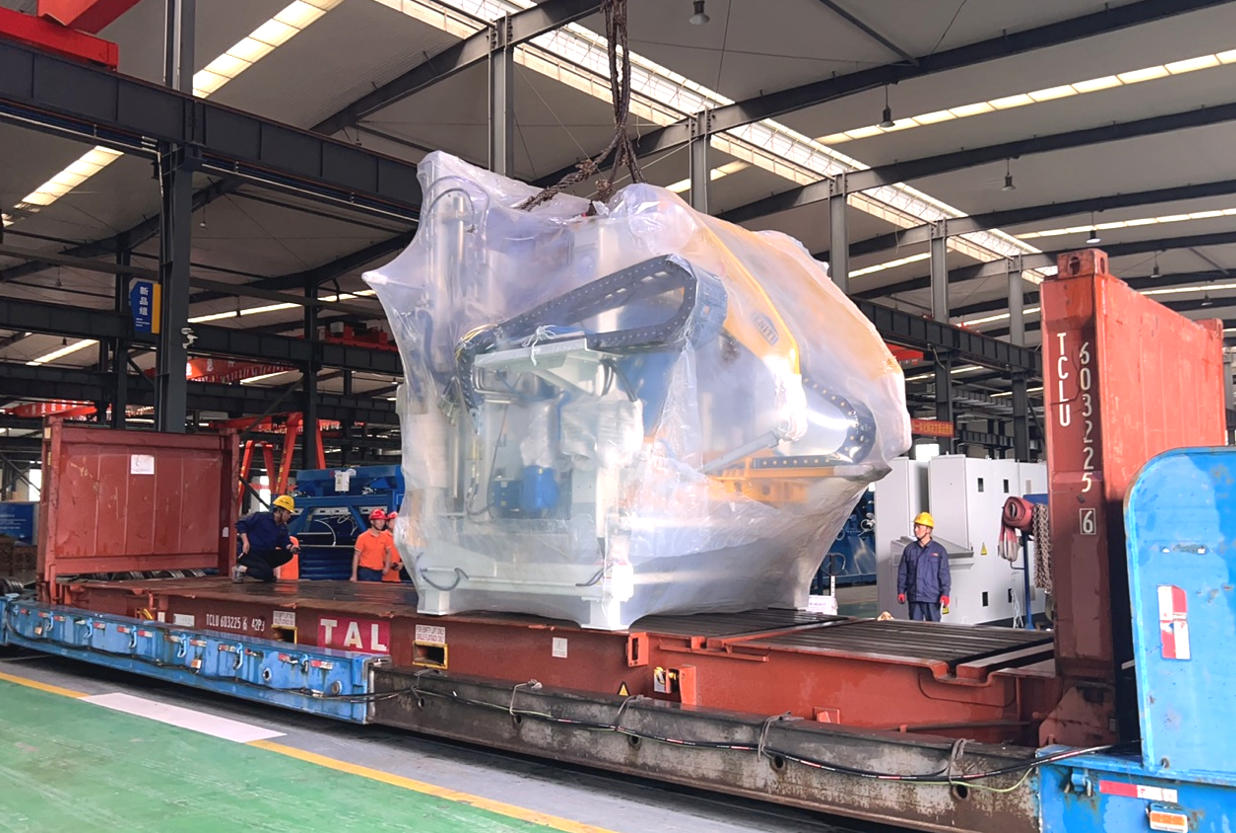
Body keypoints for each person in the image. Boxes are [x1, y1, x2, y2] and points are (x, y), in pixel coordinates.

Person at [896, 511, 950, 622]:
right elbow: (903, 573)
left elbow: (944, 574)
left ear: (928, 530)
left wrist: (945, 593)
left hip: (932, 598)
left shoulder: (939, 551)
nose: (915, 530)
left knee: (934, 628)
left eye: (919, 527)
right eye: (915, 527)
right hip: (914, 597)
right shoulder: (909, 550)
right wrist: (901, 591)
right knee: (916, 629)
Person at [233, 494, 300, 583]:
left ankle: (263, 569)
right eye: (288, 513)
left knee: (287, 554)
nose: (289, 516)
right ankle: (241, 569)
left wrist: (291, 547)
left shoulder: (282, 527)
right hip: (249, 553)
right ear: (280, 511)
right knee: (267, 574)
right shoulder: (260, 517)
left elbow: (284, 542)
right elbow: (241, 524)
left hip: (265, 554)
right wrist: (245, 542)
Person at [352, 508, 393, 582]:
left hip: (379, 572)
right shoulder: (362, 537)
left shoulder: (385, 537)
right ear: (372, 521)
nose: (381, 523)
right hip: (366, 572)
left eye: (383, 520)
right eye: (379, 520)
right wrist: (354, 575)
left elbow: (388, 552)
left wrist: (387, 567)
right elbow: (356, 556)